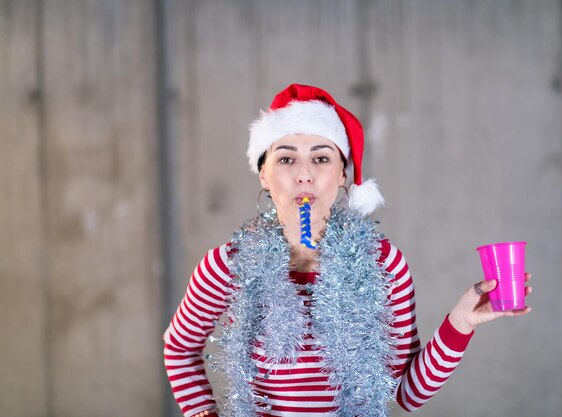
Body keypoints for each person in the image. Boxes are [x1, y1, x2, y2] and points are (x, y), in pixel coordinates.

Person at [163, 84, 532, 417]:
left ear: (342, 174)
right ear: (263, 174)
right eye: (286, 159)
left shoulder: (383, 263)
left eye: (321, 158)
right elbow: (178, 350)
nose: (304, 174)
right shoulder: (228, 265)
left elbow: (407, 394)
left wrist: (462, 322)